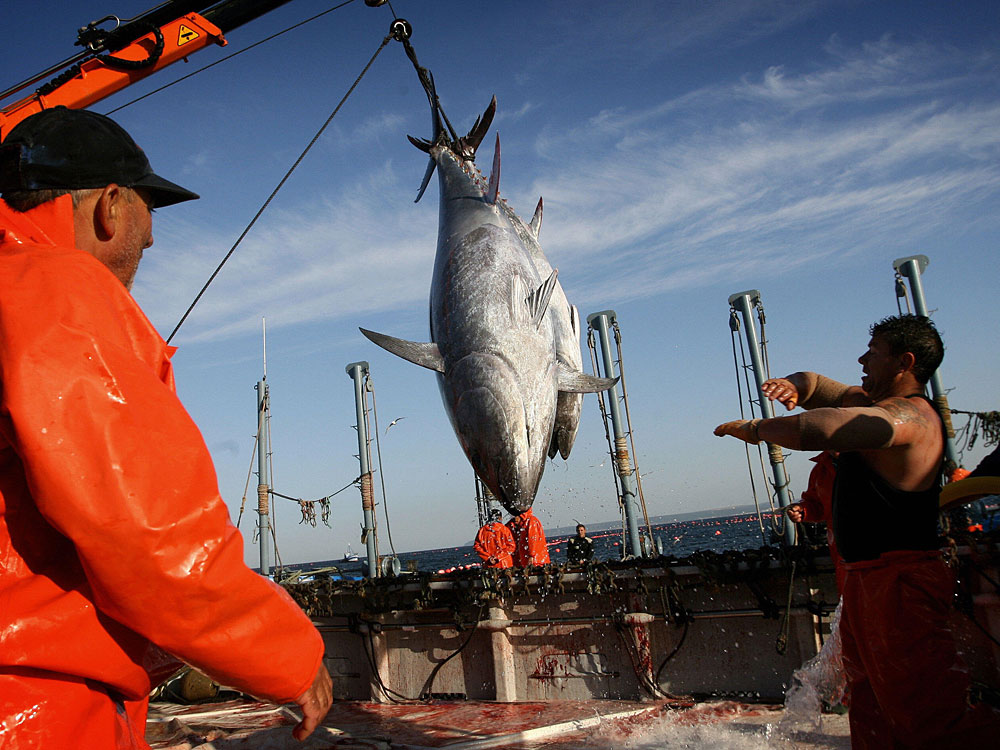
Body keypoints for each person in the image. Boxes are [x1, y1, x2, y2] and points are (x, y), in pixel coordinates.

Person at [0, 107, 331, 748]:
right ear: (111, 205)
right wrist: (287, 655)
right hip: (38, 707)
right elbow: (147, 535)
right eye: (150, 211)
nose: (150, 241)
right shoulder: (55, 289)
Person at [714, 314, 1000, 748]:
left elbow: (827, 426)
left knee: (928, 711)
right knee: (870, 704)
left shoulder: (910, 417)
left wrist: (755, 429)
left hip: (901, 581)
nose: (862, 358)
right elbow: (817, 386)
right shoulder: (871, 402)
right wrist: (793, 385)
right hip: (867, 580)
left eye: (875, 351)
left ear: (904, 361)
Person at [785, 451, 845, 592]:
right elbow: (816, 504)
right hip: (843, 554)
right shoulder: (821, 469)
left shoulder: (875, 459)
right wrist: (803, 510)